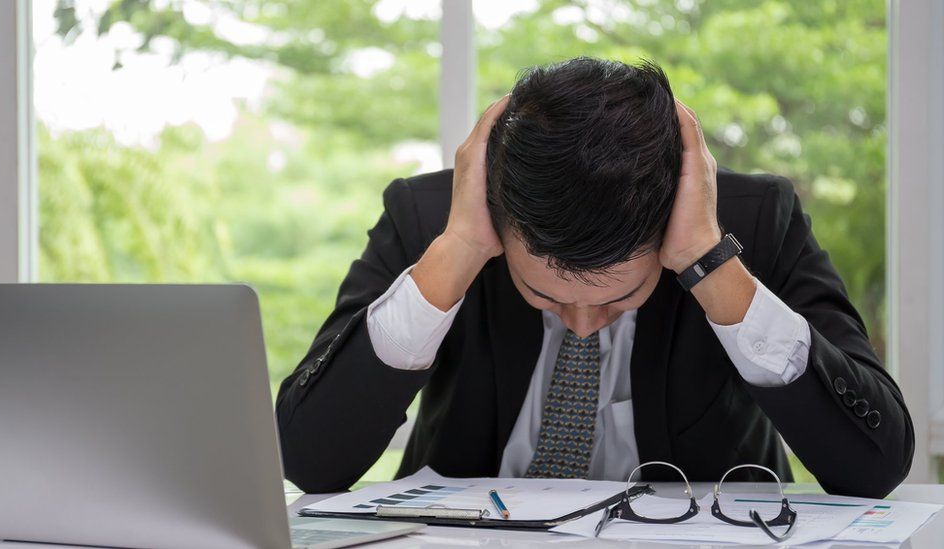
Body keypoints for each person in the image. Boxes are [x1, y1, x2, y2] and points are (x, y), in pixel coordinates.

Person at [275, 57, 914, 498]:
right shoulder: (433, 220)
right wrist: (460, 249)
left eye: (620, 297)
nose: (581, 322)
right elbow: (310, 459)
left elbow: (873, 466)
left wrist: (709, 263)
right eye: (544, 294)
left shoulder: (753, 221)